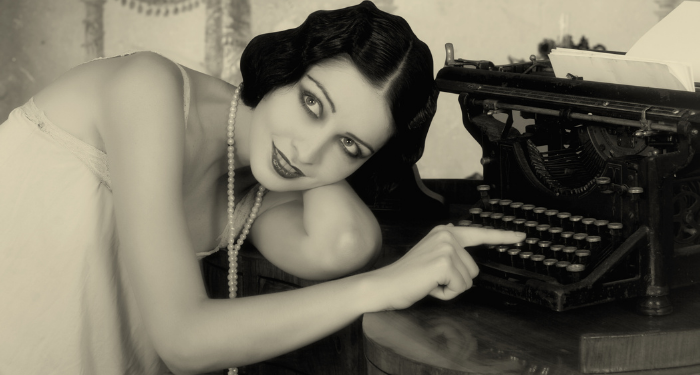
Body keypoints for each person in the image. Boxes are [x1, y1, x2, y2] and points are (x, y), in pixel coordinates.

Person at [0, 2, 524, 374]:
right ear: (286, 68)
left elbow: (344, 245)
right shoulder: (149, 90)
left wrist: (339, 151)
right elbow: (182, 340)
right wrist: (386, 284)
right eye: (311, 102)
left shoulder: (257, 187)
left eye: (349, 145)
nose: (305, 151)